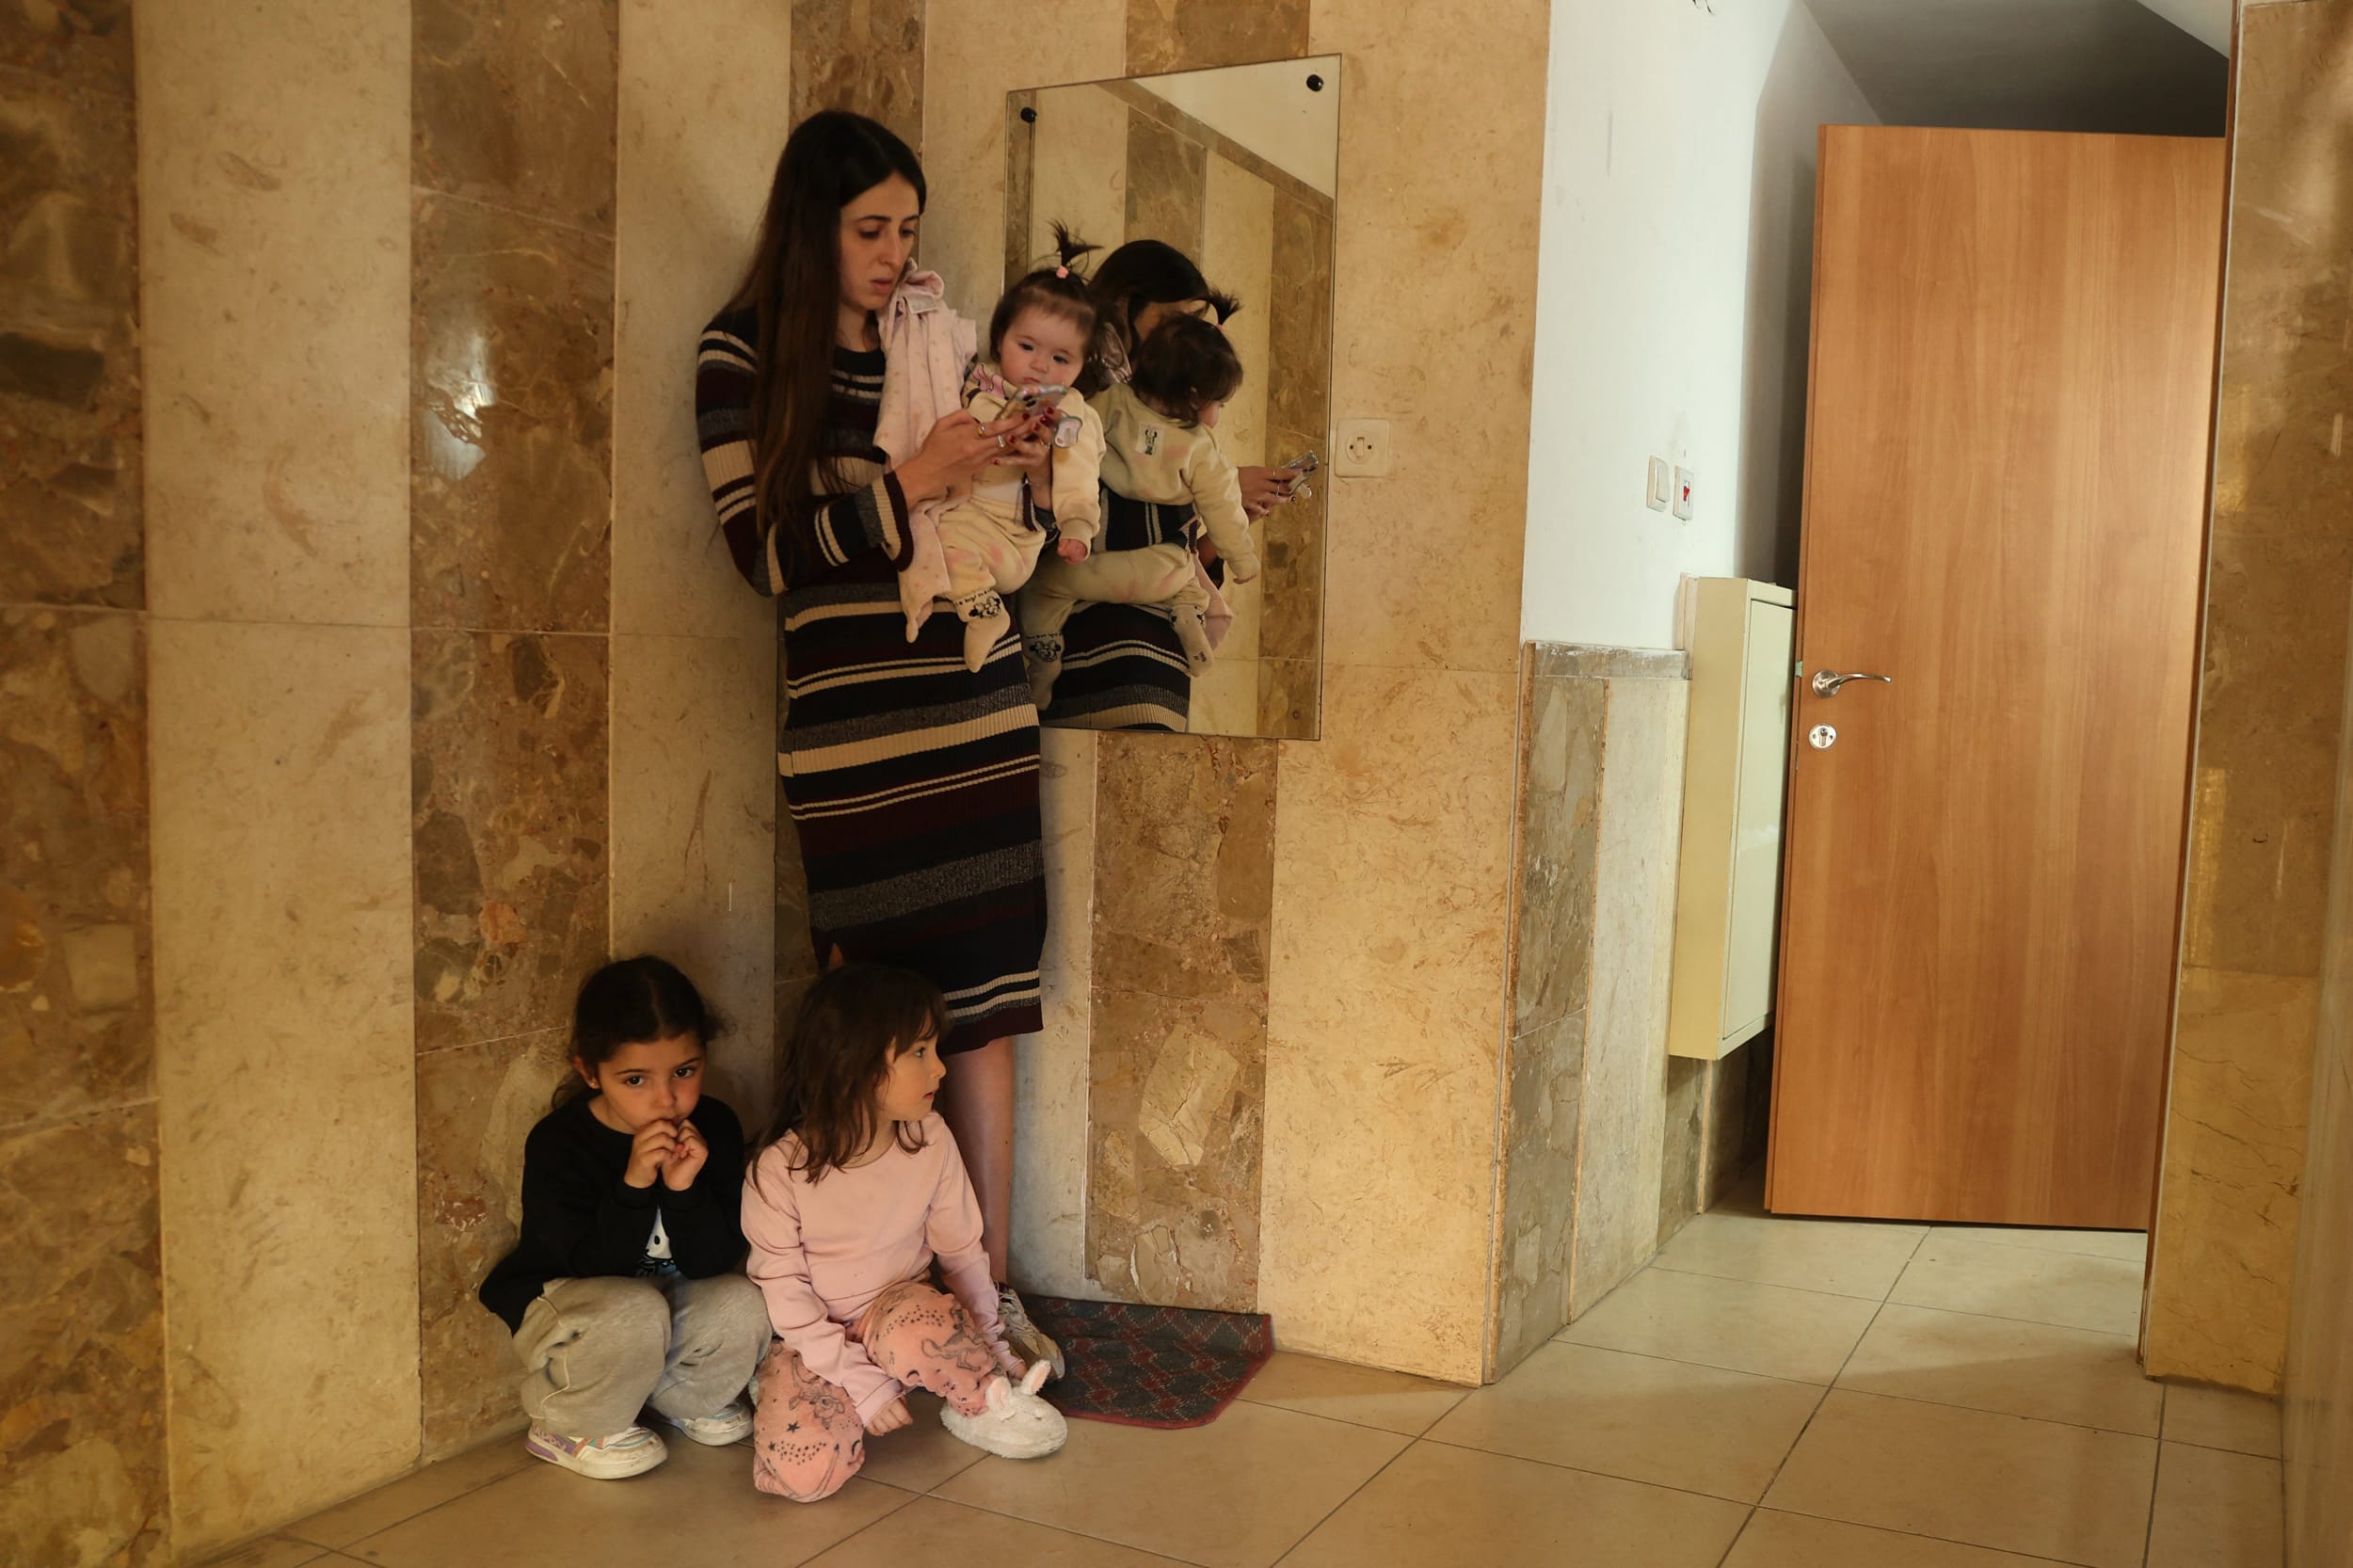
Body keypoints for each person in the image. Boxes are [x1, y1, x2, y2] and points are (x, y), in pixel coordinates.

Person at [696, 109, 1064, 1375]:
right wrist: (909, 480)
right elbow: (763, 555)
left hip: (974, 719)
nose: (894, 251)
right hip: (854, 745)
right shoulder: (741, 355)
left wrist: (1008, 462)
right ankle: (872, 1300)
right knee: (875, 1024)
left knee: (988, 1015)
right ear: (810, 224)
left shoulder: (940, 342)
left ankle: (991, 1287)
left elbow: (1003, 495)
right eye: (869, 227)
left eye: (907, 226)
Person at [742, 965, 1068, 1502]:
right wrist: (856, 1380)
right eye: (920, 1052)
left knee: (921, 1325)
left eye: (935, 1049)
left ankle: (981, 1400)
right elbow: (785, 1294)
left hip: (901, 1313)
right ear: (854, 1064)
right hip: (812, 1341)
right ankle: (828, 1390)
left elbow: (961, 1253)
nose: (939, 1069)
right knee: (804, 1479)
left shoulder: (930, 1138)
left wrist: (989, 1347)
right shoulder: (777, 1171)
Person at [477, 957, 770, 1480]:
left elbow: (712, 1263)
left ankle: (679, 1398)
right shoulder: (560, 1143)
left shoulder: (716, 1125)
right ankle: (565, 1421)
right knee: (633, 1307)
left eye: (685, 1071)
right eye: (635, 1079)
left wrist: (683, 1192)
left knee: (743, 1300)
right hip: (571, 1303)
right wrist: (635, 1183)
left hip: (660, 1299)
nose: (667, 1099)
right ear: (590, 1072)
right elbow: (595, 1266)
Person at [1025, 314, 1258, 707]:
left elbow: (1078, 440)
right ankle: (1189, 618)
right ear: (1195, 396)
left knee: (1040, 587)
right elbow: (1225, 511)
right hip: (1158, 570)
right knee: (1186, 574)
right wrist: (1243, 560)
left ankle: (1044, 662)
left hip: (1093, 563)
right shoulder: (1202, 448)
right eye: (1218, 403)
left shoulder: (1112, 403)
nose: (1217, 415)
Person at [907, 228, 1108, 670]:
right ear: (1000, 339)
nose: (1040, 365)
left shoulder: (1071, 412)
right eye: (1028, 346)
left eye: (1061, 359)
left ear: (1079, 367)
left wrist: (1076, 523)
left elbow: (1079, 475)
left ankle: (986, 614)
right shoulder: (978, 382)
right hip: (964, 510)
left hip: (1012, 541)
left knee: (945, 545)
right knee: (920, 541)